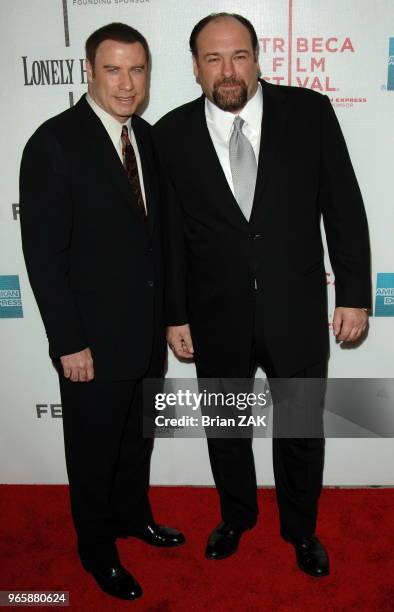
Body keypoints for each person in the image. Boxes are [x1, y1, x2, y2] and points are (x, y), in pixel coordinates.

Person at [154, 13, 371, 578]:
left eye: (239, 56)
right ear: (196, 65)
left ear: (257, 55)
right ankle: (236, 517)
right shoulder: (171, 133)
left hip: (296, 311)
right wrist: (175, 314)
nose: (229, 71)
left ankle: (301, 530)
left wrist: (353, 292)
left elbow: (343, 206)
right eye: (213, 59)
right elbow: (171, 235)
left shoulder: (309, 112)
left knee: (300, 429)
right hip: (214, 315)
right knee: (227, 428)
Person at [19, 22, 184, 601]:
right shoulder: (55, 143)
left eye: (137, 69)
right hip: (90, 341)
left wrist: (172, 317)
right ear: (88, 70)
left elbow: (158, 241)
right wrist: (68, 341)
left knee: (135, 443)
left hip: (144, 337)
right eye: (112, 69)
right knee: (91, 454)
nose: (126, 83)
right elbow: (43, 256)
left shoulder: (149, 138)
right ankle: (96, 549)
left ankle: (131, 517)